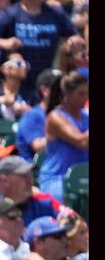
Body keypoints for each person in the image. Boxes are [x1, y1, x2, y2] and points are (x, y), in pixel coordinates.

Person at [39, 71, 88, 200]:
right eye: (80, 94)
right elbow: (81, 142)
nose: (85, 98)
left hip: (84, 179)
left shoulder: (86, 117)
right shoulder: (55, 117)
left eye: (87, 93)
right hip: (57, 180)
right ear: (66, 94)